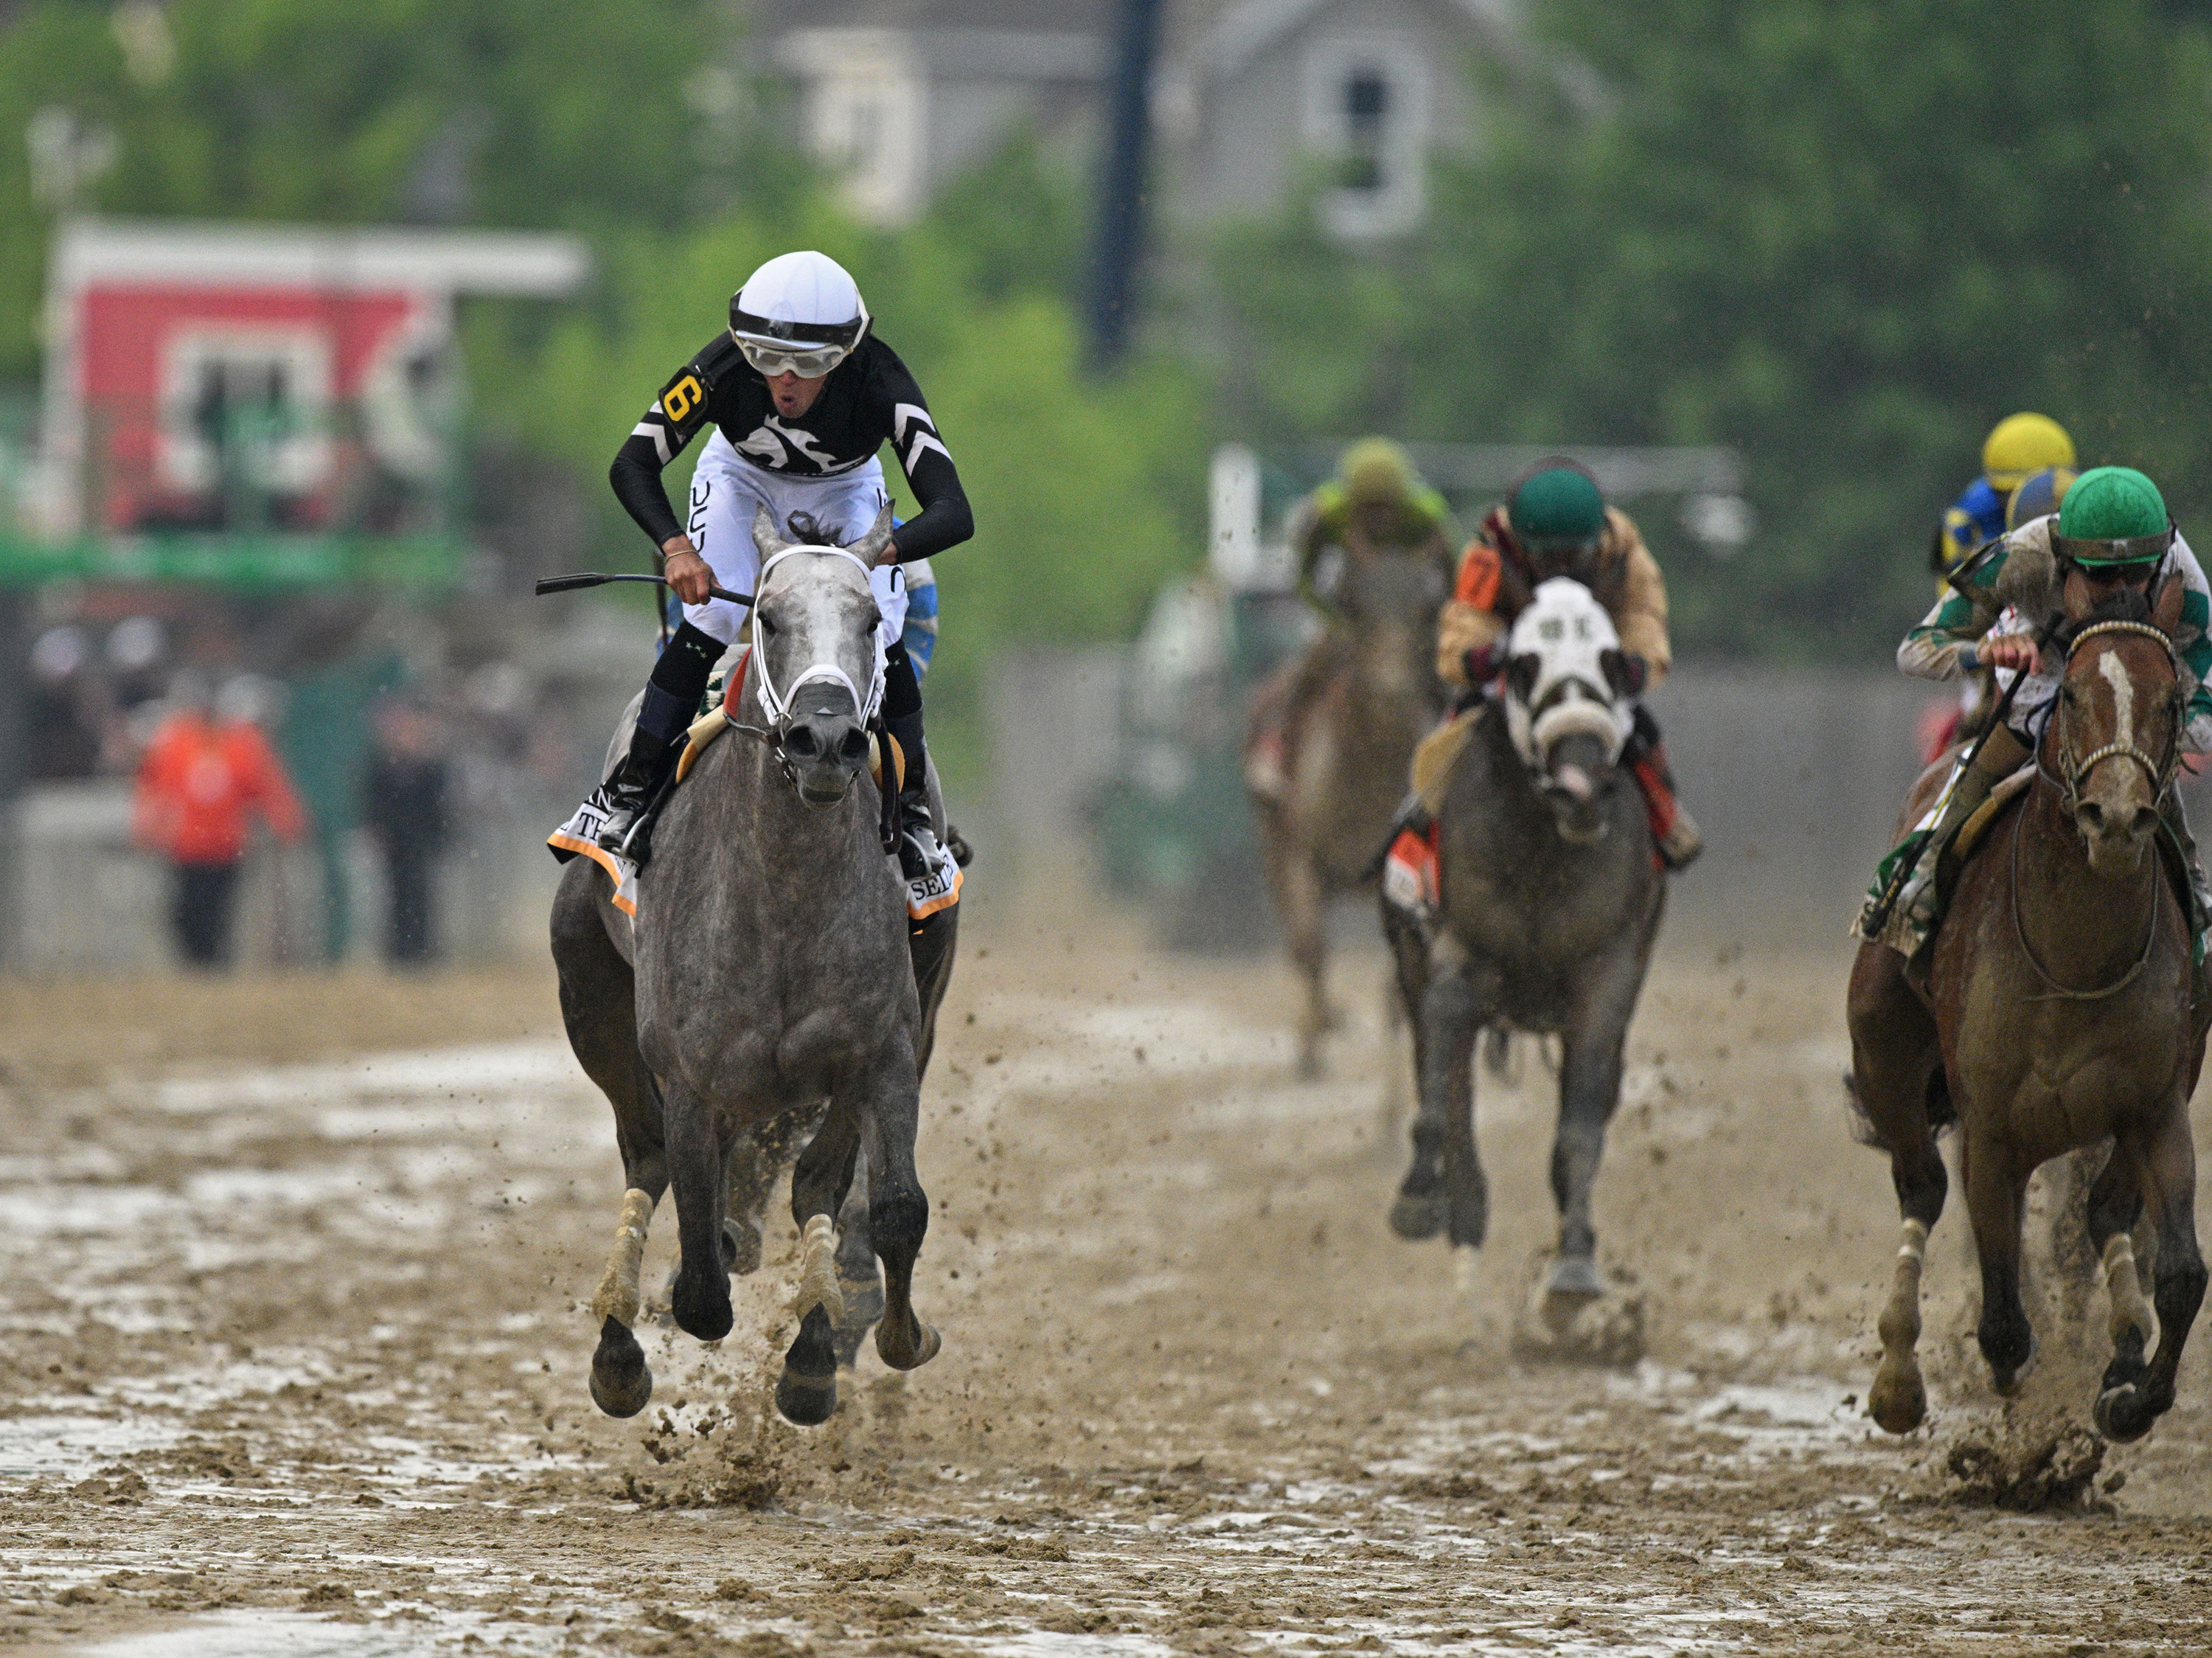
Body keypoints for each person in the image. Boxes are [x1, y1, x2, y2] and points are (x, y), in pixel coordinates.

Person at [582, 248, 972, 885]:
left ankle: (917, 817)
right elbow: (632, 463)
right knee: (711, 615)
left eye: (810, 365)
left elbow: (955, 510)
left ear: (846, 355)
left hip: (846, 489)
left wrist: (873, 555)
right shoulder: (720, 366)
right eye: (767, 358)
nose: (784, 380)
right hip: (740, 477)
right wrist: (676, 547)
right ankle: (631, 789)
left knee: (885, 626)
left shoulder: (883, 379)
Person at [1861, 465, 2212, 950]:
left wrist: (2163, 723)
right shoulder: (2023, 556)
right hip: (2044, 662)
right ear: (2064, 559)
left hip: (2141, 673)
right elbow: (1916, 649)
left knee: (2149, 762)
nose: (2125, 589)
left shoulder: (2185, 581)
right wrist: (1982, 652)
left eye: (2139, 571)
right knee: (1990, 758)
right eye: (2103, 575)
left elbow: (2204, 704)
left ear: (2164, 550)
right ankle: (1914, 876)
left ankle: (2196, 898)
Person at [1391, 459, 1702, 874]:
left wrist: (1637, 665)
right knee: (1458, 726)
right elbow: (1464, 620)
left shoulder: (1624, 548)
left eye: (1573, 555)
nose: (1561, 567)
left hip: (1596, 663)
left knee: (1640, 728)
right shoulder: (1489, 550)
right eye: (1546, 556)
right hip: (1518, 664)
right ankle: (1417, 840)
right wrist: (1482, 657)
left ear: (1596, 540)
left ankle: (1667, 819)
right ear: (1519, 543)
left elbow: (1643, 614)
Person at [1245, 438, 1457, 802]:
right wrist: (1334, 619)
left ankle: (1455, 758)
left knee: (1442, 677)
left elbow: (1456, 582)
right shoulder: (1326, 514)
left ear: (1401, 504)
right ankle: (1275, 746)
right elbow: (1304, 578)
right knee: (1313, 663)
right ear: (1352, 504)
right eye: (1367, 511)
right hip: (1352, 612)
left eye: (1385, 510)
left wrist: (1430, 621)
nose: (1377, 519)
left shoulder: (1428, 518)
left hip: (1410, 616)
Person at [133, 672, 307, 969]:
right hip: (187, 847)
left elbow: (266, 789)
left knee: (218, 915)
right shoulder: (177, 743)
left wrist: (288, 823)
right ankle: (197, 966)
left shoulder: (241, 745)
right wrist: (147, 830)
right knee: (187, 913)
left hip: (226, 847)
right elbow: (155, 790)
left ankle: (212, 969)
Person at [1931, 412, 2075, 589]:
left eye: (2043, 495)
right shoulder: (1965, 526)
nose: (2021, 503)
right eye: (2012, 494)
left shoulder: (2082, 505)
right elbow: (1951, 604)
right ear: (1996, 489)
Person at [363, 698, 450, 966]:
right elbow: (373, 806)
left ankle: (421, 949)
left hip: (419, 844)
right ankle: (400, 950)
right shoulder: (382, 769)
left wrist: (437, 837)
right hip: (396, 844)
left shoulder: (428, 769)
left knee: (422, 896)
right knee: (397, 897)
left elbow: (439, 808)